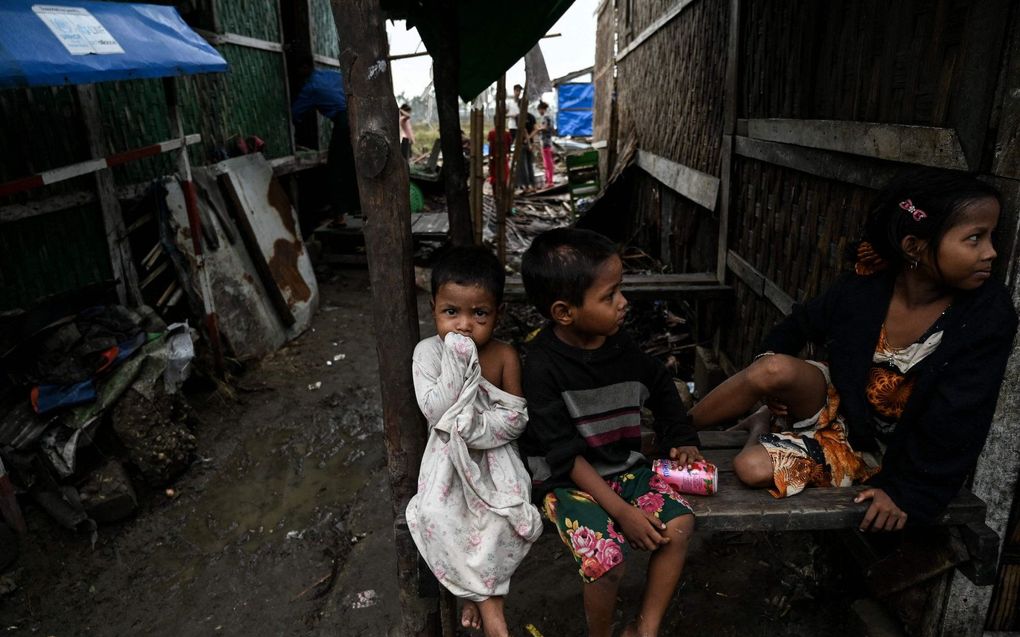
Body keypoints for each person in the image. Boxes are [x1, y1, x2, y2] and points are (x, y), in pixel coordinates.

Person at [690, 167, 1018, 531]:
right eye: (975, 238)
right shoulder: (866, 286)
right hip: (838, 399)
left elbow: (958, 419)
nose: (991, 252)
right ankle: (673, 432)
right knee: (772, 370)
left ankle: (760, 427)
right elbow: (796, 325)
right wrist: (776, 387)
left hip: (871, 450)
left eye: (991, 237)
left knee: (750, 468)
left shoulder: (987, 314)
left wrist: (906, 492)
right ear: (914, 247)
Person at [519, 228, 700, 637]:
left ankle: (644, 630)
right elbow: (564, 456)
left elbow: (659, 383)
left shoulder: (621, 346)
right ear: (565, 312)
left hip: (626, 470)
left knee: (679, 526)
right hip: (568, 482)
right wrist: (623, 515)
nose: (623, 303)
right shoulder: (542, 368)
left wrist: (680, 436)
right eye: (610, 295)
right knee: (608, 562)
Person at [406, 246, 543, 637]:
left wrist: (472, 427)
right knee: (434, 513)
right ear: (433, 307)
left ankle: (473, 595)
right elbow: (435, 411)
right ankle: (491, 609)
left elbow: (515, 418)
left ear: (497, 312)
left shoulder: (503, 356)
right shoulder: (427, 353)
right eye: (452, 312)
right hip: (447, 456)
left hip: (495, 456)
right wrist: (457, 360)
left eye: (479, 314)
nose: (465, 325)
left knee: (505, 515)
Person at [290, 54, 359, 226]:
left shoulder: (311, 87)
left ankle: (339, 217)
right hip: (359, 117)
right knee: (354, 165)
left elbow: (295, 114)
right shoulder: (330, 74)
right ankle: (360, 210)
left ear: (304, 69)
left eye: (298, 70)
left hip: (344, 123)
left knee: (336, 169)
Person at [486, 117, 512, 186]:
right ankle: (502, 193)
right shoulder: (506, 133)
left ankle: (496, 195)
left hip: (495, 159)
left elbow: (490, 147)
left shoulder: (492, 133)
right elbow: (509, 148)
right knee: (503, 175)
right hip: (500, 158)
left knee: (495, 176)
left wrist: (489, 158)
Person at [537, 101, 555, 188]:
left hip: (545, 142)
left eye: (539, 110)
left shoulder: (545, 117)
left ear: (542, 109)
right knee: (547, 162)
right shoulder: (550, 116)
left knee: (548, 163)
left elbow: (545, 128)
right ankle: (548, 180)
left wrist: (538, 129)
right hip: (548, 141)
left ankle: (550, 181)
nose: (539, 112)